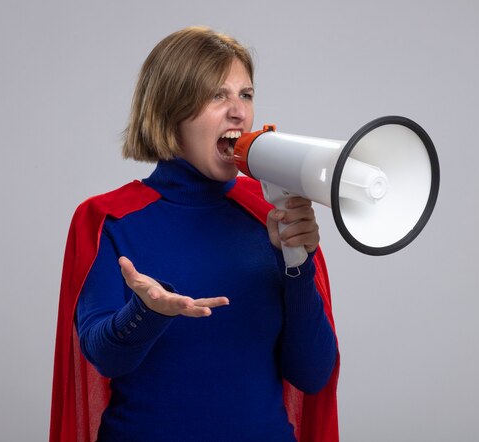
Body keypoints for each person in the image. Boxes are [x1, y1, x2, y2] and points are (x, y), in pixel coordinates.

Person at [50, 26, 339, 442]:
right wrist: (147, 311)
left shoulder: (271, 213)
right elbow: (102, 356)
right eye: (217, 95)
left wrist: (296, 264)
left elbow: (312, 375)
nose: (238, 112)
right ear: (172, 110)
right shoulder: (108, 219)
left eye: (246, 94)